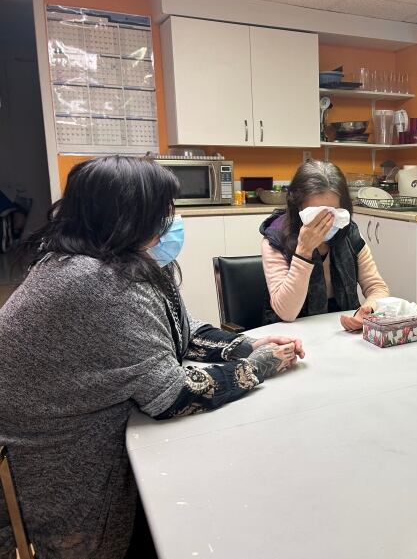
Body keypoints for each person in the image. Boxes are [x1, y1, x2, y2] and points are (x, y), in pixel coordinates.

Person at [0, 156, 305, 559]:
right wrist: (260, 367)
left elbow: (184, 331)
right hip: (60, 465)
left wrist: (246, 346)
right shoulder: (97, 284)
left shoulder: (107, 261)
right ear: (126, 216)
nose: (171, 220)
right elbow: (172, 397)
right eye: (162, 210)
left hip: (78, 433)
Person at [260, 160, 389, 330]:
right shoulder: (276, 238)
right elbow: (286, 312)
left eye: (333, 212)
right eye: (315, 214)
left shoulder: (349, 233)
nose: (326, 222)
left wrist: (368, 309)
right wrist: (303, 252)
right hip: (290, 335)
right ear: (297, 207)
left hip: (343, 331)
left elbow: (377, 287)